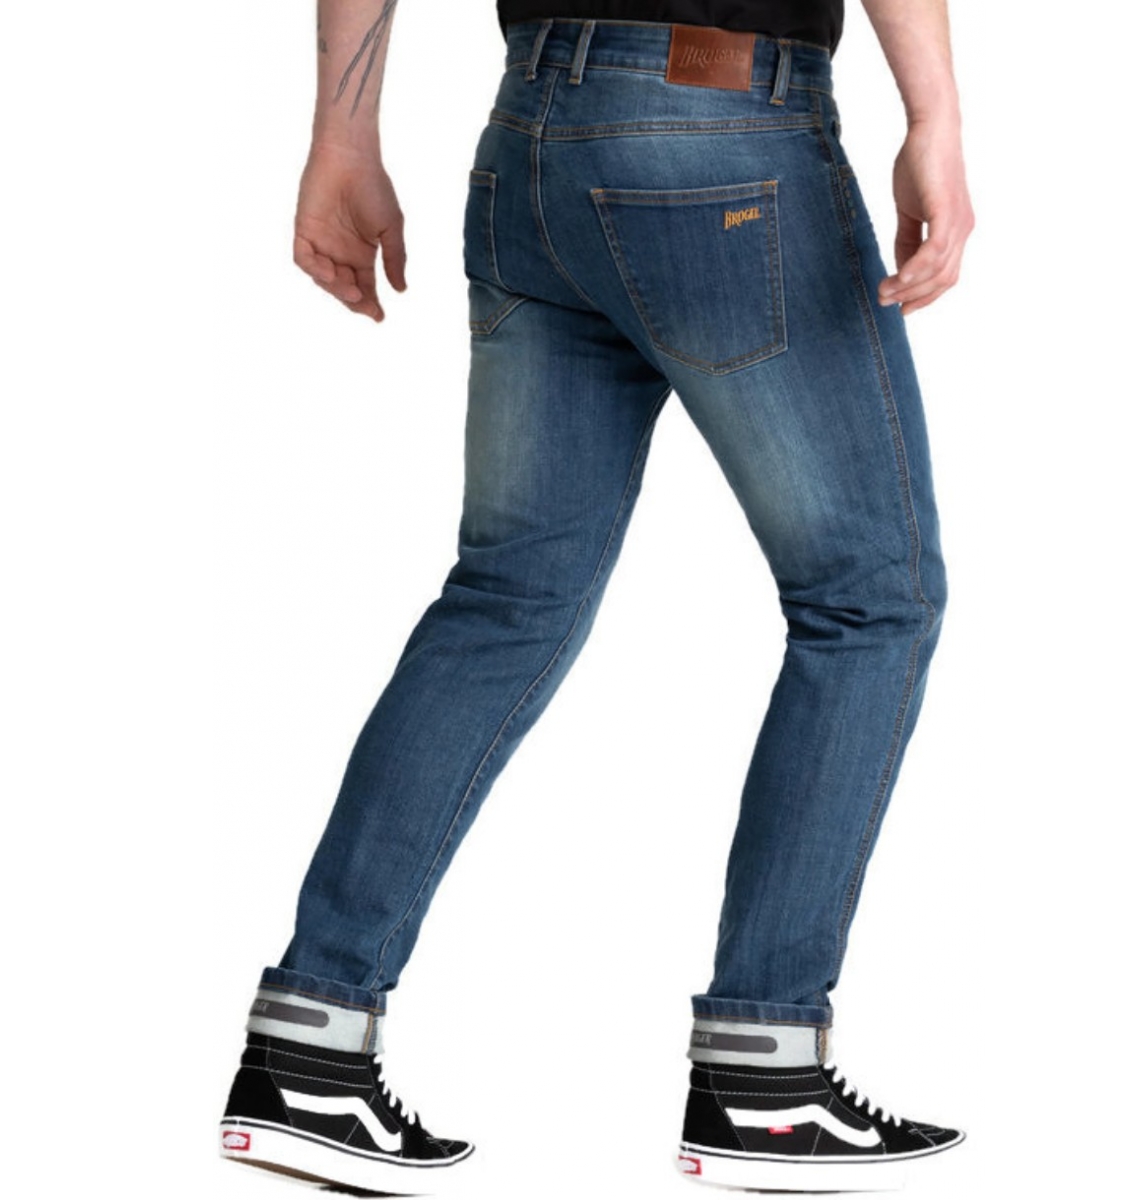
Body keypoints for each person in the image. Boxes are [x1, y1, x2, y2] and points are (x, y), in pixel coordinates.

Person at [218, 1, 975, 1193]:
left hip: (532, 140)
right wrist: (934, 117)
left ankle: (310, 1049)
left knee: (508, 596)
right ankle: (765, 1077)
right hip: (722, 134)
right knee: (871, 599)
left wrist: (342, 136)